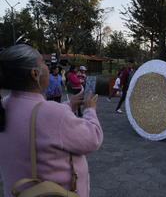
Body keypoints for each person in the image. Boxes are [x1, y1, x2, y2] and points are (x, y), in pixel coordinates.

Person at [0, 44, 103, 197]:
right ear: (35, 74)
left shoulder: (4, 106)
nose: (49, 68)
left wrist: (69, 105)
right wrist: (89, 109)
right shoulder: (51, 113)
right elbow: (93, 138)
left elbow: (36, 119)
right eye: (44, 63)